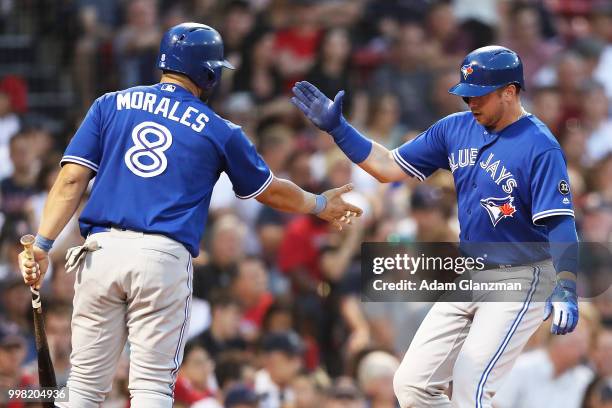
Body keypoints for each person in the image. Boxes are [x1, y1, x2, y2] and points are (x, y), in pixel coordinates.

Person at [18, 22, 361, 408]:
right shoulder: (220, 129)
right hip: (161, 258)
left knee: (82, 388)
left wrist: (43, 243)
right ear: (208, 72)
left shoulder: (110, 103)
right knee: (150, 388)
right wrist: (319, 204)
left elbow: (70, 180)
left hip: (100, 252)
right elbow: (269, 190)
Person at [291, 45, 580, 407]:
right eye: (466, 95)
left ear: (510, 91)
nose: (471, 103)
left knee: (471, 386)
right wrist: (340, 130)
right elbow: (388, 167)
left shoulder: (540, 146)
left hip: (523, 274)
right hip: (471, 271)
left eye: (480, 95)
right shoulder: (455, 128)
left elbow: (560, 223)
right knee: (412, 386)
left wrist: (567, 283)